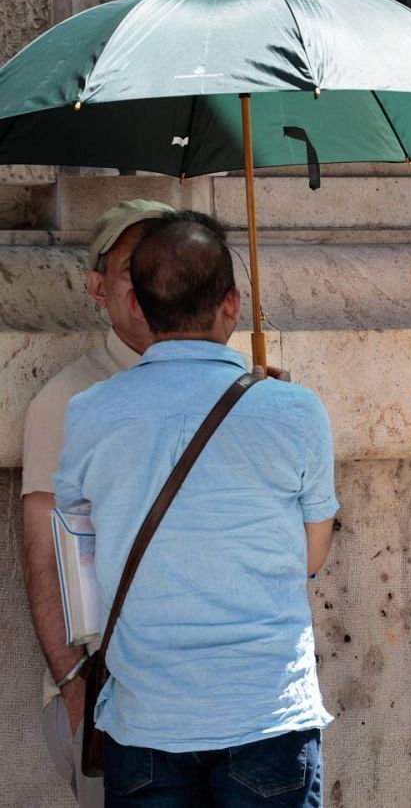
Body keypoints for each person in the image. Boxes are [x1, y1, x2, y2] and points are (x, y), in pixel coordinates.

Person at [54, 211, 338, 807]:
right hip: (265, 712)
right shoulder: (296, 411)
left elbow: (77, 562)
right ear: (231, 305)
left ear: (139, 305)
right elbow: (310, 558)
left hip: (144, 717)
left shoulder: (89, 412)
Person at [21, 199, 176, 808]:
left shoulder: (244, 387)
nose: (149, 284)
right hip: (109, 697)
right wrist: (74, 684)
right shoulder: (68, 400)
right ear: (96, 287)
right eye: (132, 268)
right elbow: (46, 549)